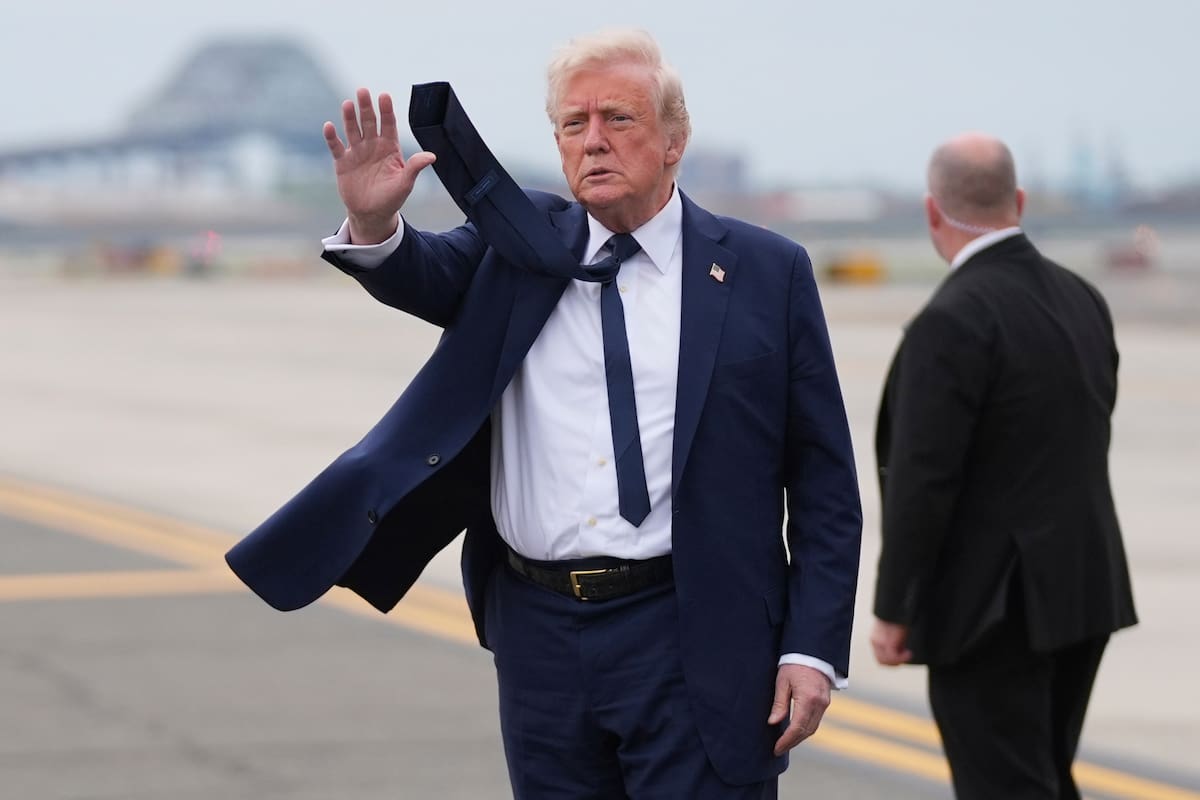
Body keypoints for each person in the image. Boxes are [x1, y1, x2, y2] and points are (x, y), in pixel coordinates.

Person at [227, 28, 862, 798]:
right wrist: (372, 227)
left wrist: (812, 649)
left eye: (618, 119)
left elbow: (825, 484)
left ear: (674, 141)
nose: (593, 141)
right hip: (539, 633)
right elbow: (421, 274)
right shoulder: (516, 247)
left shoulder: (767, 271)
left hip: (696, 628)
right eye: (573, 124)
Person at [869, 133, 1138, 800]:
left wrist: (894, 606)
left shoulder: (952, 320)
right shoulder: (1083, 298)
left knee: (1004, 786)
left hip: (992, 609)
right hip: (1083, 589)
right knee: (1044, 776)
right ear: (1017, 200)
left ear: (933, 213)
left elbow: (923, 479)